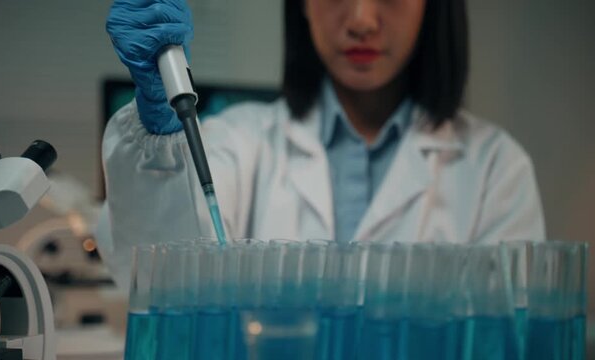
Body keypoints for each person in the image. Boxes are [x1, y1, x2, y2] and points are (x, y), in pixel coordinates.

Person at [97, 0, 545, 288]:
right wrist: (159, 134)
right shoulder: (241, 138)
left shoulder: (494, 168)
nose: (362, 21)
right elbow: (157, 273)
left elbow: (506, 339)